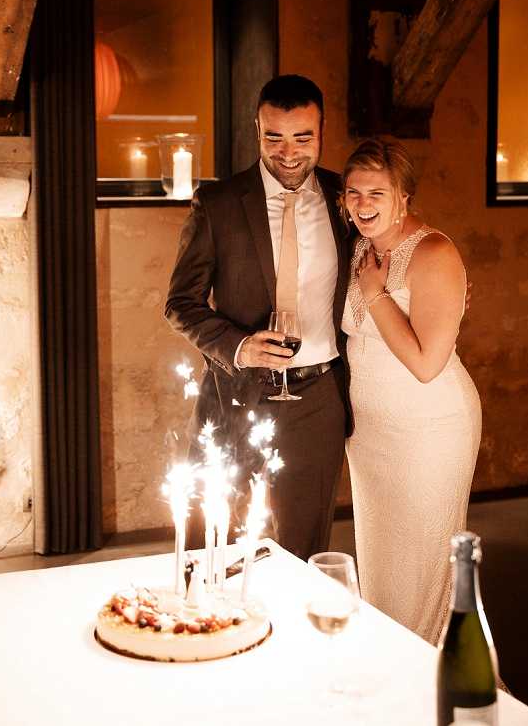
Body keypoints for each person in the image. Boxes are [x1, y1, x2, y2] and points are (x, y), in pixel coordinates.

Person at [165, 75, 350, 560]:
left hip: (317, 399)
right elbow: (179, 303)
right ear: (257, 130)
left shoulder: (344, 200)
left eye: (303, 137)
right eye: (274, 137)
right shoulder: (219, 205)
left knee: (304, 550)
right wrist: (239, 346)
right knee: (211, 544)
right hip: (233, 395)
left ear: (322, 131)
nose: (288, 153)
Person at [341, 136, 481, 644]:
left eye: (377, 193)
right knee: (382, 570)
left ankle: (435, 680)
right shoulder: (358, 247)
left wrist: (377, 295)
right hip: (371, 436)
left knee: (424, 570)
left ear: (404, 196)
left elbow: (426, 364)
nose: (363, 205)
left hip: (429, 431)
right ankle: (389, 669)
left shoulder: (435, 252)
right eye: (353, 193)